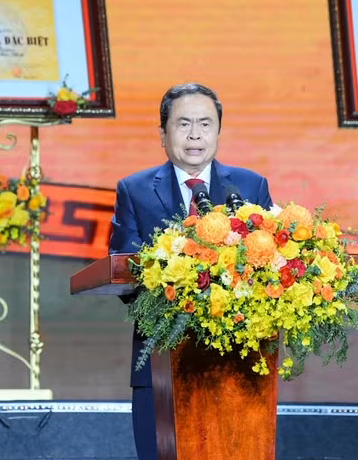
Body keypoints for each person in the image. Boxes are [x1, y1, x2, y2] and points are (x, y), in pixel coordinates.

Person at [108, 83, 272, 460]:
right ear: (163, 134)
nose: (195, 134)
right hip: (161, 359)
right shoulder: (134, 190)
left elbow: (272, 264)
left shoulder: (249, 186)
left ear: (218, 131)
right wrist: (175, 281)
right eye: (183, 124)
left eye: (205, 124)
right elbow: (121, 266)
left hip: (241, 361)